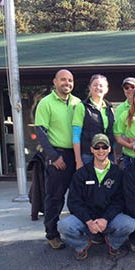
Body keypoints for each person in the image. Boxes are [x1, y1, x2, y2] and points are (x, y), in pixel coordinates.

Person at [57, 134, 135, 260]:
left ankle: (113, 243)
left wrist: (105, 219)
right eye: (97, 147)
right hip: (86, 220)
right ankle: (82, 244)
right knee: (63, 225)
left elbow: (119, 201)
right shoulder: (81, 173)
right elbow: (74, 202)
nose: (101, 150)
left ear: (109, 149)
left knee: (129, 224)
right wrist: (88, 221)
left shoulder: (118, 173)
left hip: (108, 220)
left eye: (104, 147)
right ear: (91, 149)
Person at [34, 69, 81, 249]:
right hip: (58, 155)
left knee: (78, 197)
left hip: (76, 155)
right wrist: (53, 157)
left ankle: (80, 233)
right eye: (63, 80)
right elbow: (40, 132)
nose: (67, 83)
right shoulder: (46, 103)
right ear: (55, 82)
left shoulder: (77, 103)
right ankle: (52, 234)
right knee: (55, 198)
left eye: (70, 80)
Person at [72, 74, 115, 170]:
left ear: (106, 89)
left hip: (108, 155)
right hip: (88, 155)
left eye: (101, 85)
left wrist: (114, 158)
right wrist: (78, 161)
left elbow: (111, 135)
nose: (98, 88)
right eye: (95, 85)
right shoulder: (82, 107)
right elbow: (76, 136)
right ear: (90, 87)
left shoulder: (109, 108)